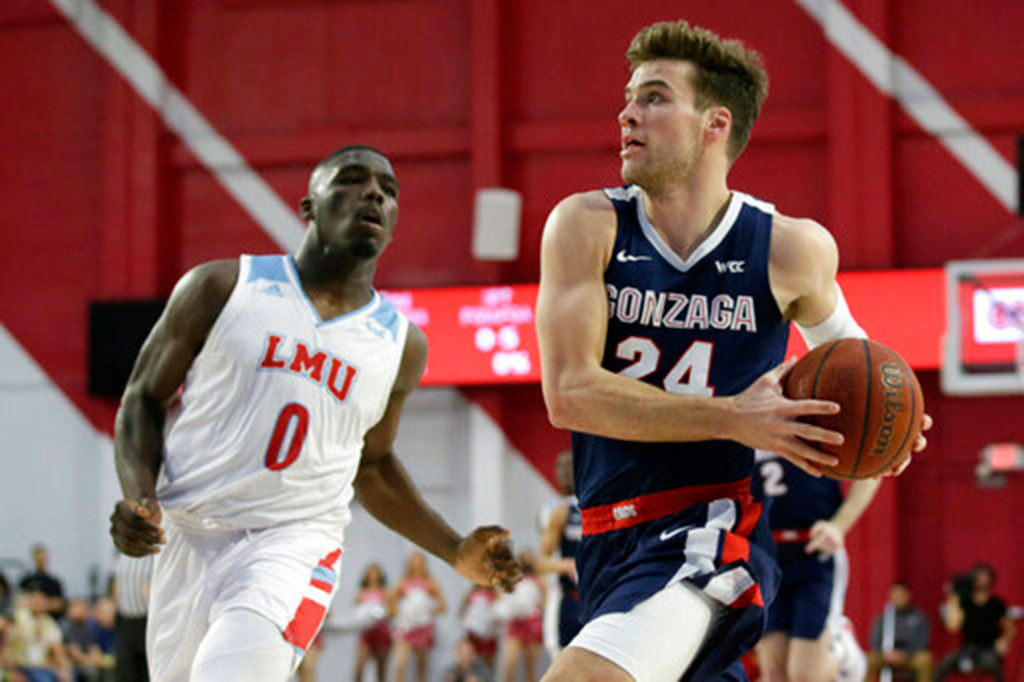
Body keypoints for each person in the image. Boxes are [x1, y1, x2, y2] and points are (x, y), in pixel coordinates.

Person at [535, 20, 929, 682]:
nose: (628, 112)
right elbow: (569, 393)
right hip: (605, 540)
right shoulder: (586, 226)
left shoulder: (790, 249)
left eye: (655, 97)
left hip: (709, 537)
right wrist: (732, 415)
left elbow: (859, 366)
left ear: (716, 124)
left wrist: (894, 425)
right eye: (629, 97)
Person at [108, 145, 521, 682]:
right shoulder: (222, 287)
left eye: (388, 190)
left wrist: (453, 548)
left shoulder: (401, 344)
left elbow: (371, 466)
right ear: (309, 206)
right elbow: (142, 397)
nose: (375, 193)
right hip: (189, 535)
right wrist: (138, 494)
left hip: (294, 543)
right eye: (352, 180)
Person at [754, 455, 879, 682]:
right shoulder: (739, 428)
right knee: (773, 675)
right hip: (768, 558)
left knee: (804, 675)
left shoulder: (823, 422)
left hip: (815, 552)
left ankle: (842, 648)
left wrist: (839, 525)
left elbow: (873, 470)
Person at [935, 564, 1015, 682]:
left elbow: (1010, 628)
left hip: (989, 649)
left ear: (991, 579)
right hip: (967, 649)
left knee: (994, 666)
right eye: (977, 576)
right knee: (942, 666)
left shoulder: (996, 603)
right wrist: (953, 597)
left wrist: (1003, 640)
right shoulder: (964, 602)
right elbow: (953, 626)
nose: (981, 580)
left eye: (984, 576)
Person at [537, 452, 583, 659]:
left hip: (598, 595)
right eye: (559, 466)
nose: (564, 472)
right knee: (561, 656)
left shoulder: (597, 502)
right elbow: (542, 560)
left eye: (569, 466)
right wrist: (565, 565)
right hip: (566, 595)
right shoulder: (555, 510)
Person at [391, 552, 445, 682]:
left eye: (420, 559)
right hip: (406, 627)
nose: (417, 563)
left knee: (422, 665)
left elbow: (442, 605)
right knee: (400, 664)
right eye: (414, 559)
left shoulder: (430, 582)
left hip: (423, 627)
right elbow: (390, 602)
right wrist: (401, 613)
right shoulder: (403, 581)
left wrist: (428, 611)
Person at [866, 581, 931, 682]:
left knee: (925, 659)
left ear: (908, 595)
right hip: (887, 655)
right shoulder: (883, 617)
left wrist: (905, 654)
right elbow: (874, 640)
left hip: (910, 655)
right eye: (895, 594)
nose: (898, 598)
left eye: (901, 594)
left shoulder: (919, 617)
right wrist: (886, 654)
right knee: (869, 659)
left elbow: (923, 641)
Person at [496, 551, 545, 682]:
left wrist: (532, 608)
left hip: (532, 623)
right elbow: (502, 597)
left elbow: (544, 602)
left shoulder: (539, 580)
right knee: (510, 664)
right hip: (515, 623)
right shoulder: (511, 578)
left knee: (530, 668)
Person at [5, 589, 71, 682]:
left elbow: (58, 649)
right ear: (29, 601)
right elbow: (5, 640)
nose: (38, 603)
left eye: (41, 601)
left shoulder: (49, 622)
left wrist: (65, 669)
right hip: (20, 665)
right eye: (35, 600)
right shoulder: (17, 617)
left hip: (42, 666)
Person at [112, 553, 152, 682]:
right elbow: (116, 586)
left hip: (138, 621)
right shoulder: (124, 556)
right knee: (132, 670)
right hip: (132, 620)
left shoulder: (150, 558)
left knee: (138, 670)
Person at [354, 563, 393, 682]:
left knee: (381, 669)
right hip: (366, 633)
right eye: (371, 572)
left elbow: (391, 611)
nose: (373, 575)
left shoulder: (386, 592)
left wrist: (383, 613)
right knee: (359, 666)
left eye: (375, 572)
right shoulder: (361, 592)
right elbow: (356, 612)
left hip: (382, 632)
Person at [18, 546, 64, 621]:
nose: (41, 561)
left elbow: (59, 604)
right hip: (30, 619)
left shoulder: (54, 582)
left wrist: (43, 605)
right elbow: (19, 601)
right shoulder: (26, 581)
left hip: (51, 618)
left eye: (43, 559)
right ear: (34, 559)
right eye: (38, 559)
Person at [459, 585, 499, 670]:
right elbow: (462, 611)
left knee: (488, 660)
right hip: (473, 632)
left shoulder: (495, 594)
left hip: (488, 633)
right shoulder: (472, 593)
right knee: (469, 658)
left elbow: (499, 613)